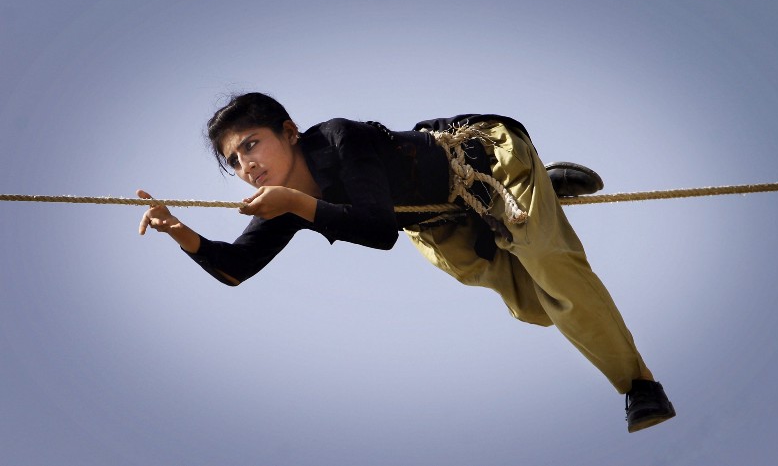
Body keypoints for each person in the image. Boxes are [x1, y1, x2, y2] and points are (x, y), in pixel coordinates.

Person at [137, 92, 676, 432]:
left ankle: (639, 385)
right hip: (439, 223)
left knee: (552, 269)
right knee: (538, 307)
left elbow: (376, 230)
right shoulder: (284, 200)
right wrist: (180, 231)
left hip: (484, 164)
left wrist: (299, 206)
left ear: (289, 131)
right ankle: (550, 190)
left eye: (251, 144)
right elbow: (236, 267)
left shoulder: (338, 140)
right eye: (233, 161)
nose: (246, 164)